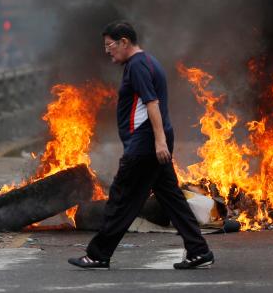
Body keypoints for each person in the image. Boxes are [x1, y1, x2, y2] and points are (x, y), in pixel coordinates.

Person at [68, 21, 214, 270]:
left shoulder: (137, 66)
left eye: (109, 45)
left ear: (124, 41)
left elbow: (152, 104)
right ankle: (199, 251)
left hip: (146, 145)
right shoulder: (146, 62)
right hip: (153, 141)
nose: (107, 50)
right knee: (172, 199)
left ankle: (98, 254)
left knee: (121, 199)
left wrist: (158, 142)